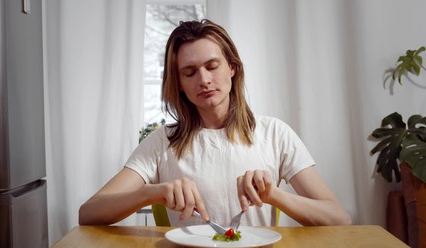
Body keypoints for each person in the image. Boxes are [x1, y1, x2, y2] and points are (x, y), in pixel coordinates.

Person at [78, 19, 352, 227]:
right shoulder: (163, 141)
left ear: (232, 68)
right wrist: (150, 192)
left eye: (212, 66)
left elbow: (339, 219)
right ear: (180, 85)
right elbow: (88, 213)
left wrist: (274, 195)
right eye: (189, 72)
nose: (204, 80)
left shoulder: (275, 133)